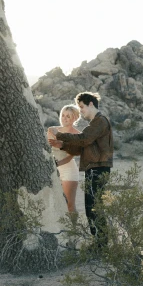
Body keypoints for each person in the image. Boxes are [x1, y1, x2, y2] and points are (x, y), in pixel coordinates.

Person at [48, 92, 113, 245]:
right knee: (91, 207)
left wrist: (61, 136)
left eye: (82, 107)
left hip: (98, 168)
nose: (81, 111)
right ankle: (98, 243)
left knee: (94, 207)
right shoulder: (95, 123)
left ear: (91, 104)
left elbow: (83, 139)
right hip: (94, 168)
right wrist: (63, 145)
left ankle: (100, 245)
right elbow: (83, 148)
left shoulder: (100, 122)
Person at [47, 105, 81, 214]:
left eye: (68, 116)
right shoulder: (52, 130)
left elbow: (70, 156)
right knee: (54, 203)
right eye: (62, 115)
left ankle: (74, 230)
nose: (64, 118)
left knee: (69, 204)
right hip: (51, 168)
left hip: (68, 170)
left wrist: (56, 164)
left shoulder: (78, 135)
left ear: (75, 118)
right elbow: (47, 149)